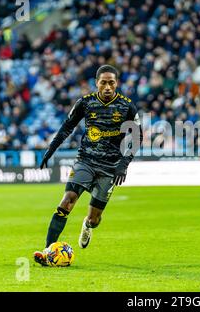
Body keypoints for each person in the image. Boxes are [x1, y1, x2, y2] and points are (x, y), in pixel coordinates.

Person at [34, 65, 142, 266]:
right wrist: (51, 149)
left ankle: (87, 225)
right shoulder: (85, 103)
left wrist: (124, 164)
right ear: (96, 83)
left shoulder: (127, 106)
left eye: (111, 82)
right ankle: (48, 251)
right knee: (67, 201)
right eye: (104, 82)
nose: (108, 87)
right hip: (85, 161)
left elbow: (137, 136)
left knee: (94, 218)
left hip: (110, 167)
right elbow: (67, 126)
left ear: (116, 83)